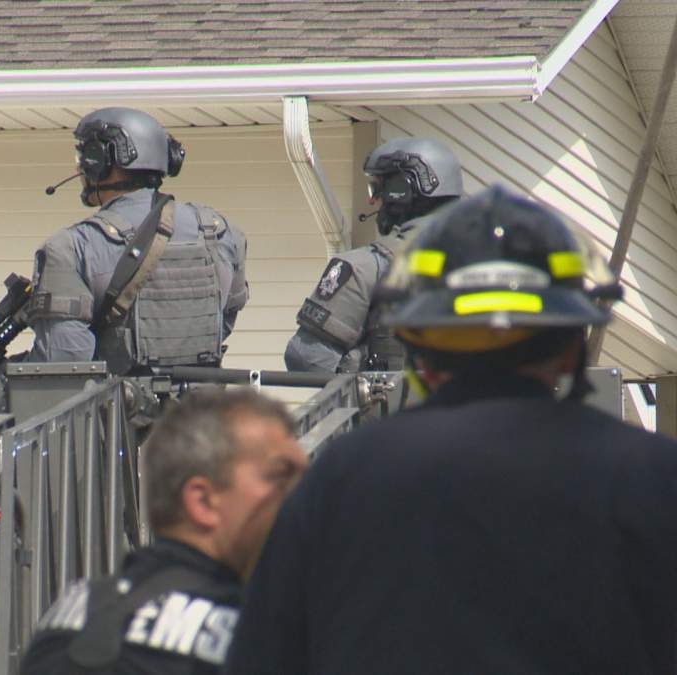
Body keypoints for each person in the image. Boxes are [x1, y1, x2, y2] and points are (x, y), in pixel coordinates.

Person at [227, 185, 677, 674]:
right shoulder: (652, 475)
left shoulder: (345, 475)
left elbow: (264, 657)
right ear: (571, 345)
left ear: (422, 352)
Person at [20, 387, 306, 674]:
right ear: (203, 501)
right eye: (280, 477)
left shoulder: (68, 617)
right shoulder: (257, 638)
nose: (305, 495)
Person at [28, 107, 248, 374]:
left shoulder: (71, 248)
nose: (78, 165)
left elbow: (64, 363)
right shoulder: (222, 232)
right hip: (203, 413)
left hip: (118, 415)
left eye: (83, 155)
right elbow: (223, 321)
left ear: (99, 161)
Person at [284, 137, 462, 373]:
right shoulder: (494, 261)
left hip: (396, 411)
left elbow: (305, 355)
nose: (372, 199)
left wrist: (365, 370)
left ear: (402, 189)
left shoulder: (365, 267)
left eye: (377, 188)